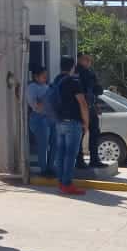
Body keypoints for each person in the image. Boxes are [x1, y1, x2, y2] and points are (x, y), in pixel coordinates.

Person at [53, 56, 90, 195]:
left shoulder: (56, 81)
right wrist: (86, 123)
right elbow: (82, 103)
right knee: (70, 155)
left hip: (59, 122)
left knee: (61, 153)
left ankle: (61, 182)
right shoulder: (73, 81)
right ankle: (67, 183)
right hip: (73, 123)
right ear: (72, 67)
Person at [26, 65, 56, 178]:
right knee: (43, 144)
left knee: (55, 143)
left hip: (51, 117)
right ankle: (43, 169)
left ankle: (51, 167)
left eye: (46, 76)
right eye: (43, 76)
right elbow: (37, 106)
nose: (45, 78)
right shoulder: (32, 87)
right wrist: (48, 97)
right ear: (36, 76)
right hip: (39, 118)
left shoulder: (47, 87)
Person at [76, 52, 105, 168]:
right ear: (79, 60)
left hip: (91, 107)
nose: (88, 62)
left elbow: (96, 90)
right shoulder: (78, 73)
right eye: (86, 60)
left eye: (90, 60)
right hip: (81, 108)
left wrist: (96, 104)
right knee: (80, 135)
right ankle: (80, 160)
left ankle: (94, 159)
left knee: (94, 133)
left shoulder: (90, 73)